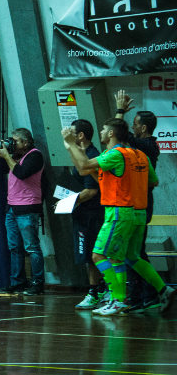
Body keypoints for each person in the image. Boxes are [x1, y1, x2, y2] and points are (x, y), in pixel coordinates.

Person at [62, 118, 175, 316]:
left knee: (99, 254)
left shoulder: (115, 155)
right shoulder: (140, 155)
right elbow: (153, 182)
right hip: (138, 212)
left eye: (104, 128)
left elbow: (83, 167)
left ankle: (118, 299)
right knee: (131, 256)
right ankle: (164, 289)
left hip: (118, 211)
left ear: (112, 134)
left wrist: (70, 143)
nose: (102, 131)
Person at [115, 90, 161, 312]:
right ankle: (144, 295)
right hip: (136, 205)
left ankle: (148, 294)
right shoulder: (144, 145)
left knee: (134, 252)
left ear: (143, 128)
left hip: (140, 206)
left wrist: (120, 111)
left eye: (135, 124)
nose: (132, 127)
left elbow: (116, 132)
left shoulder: (147, 146)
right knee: (134, 252)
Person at [0, 128, 46, 295]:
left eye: (15, 141)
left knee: (31, 247)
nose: (12, 144)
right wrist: (2, 153)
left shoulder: (35, 155)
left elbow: (21, 173)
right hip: (12, 206)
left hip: (28, 207)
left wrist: (7, 156)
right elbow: (1, 169)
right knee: (15, 247)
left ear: (26, 142)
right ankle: (18, 281)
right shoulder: (15, 156)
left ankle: (37, 282)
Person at [67, 119, 107, 310]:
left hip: (92, 214)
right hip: (84, 213)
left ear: (81, 135)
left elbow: (91, 190)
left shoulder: (92, 156)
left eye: (72, 132)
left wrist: (69, 202)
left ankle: (96, 291)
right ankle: (101, 290)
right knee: (90, 255)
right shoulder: (82, 154)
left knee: (92, 255)